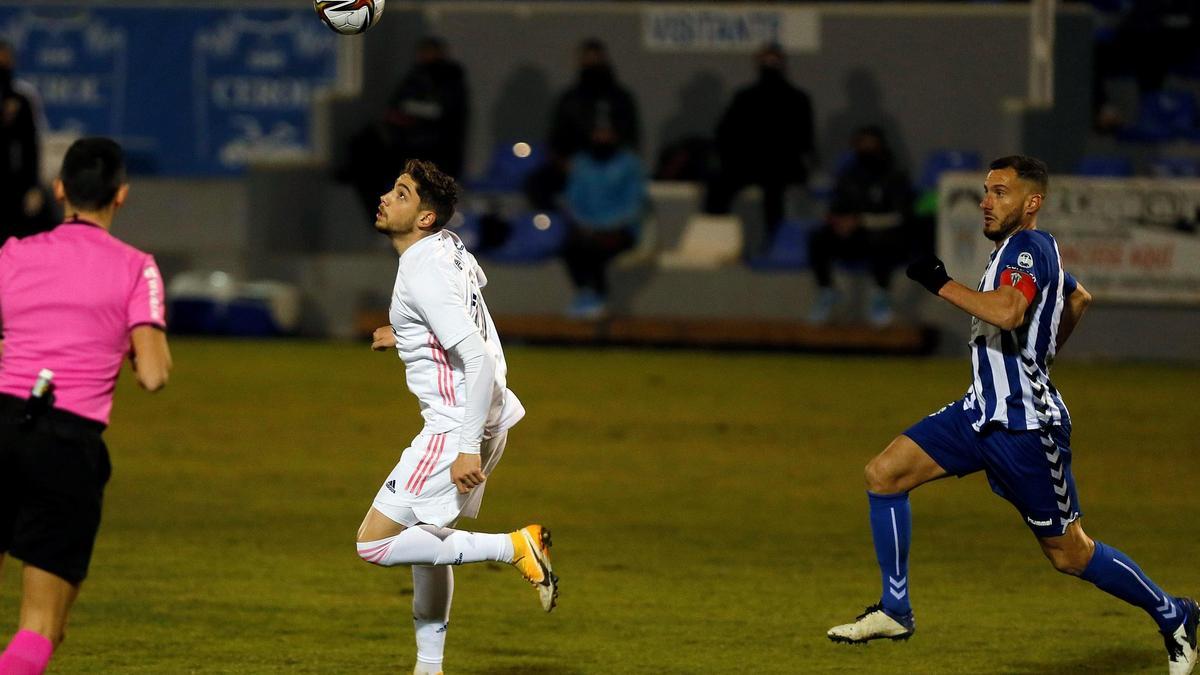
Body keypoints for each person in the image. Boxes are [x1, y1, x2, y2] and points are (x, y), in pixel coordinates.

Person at [826, 155, 1198, 675]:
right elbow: (1079, 299)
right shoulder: (1022, 251)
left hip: (1026, 431)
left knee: (1070, 555)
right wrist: (1039, 358)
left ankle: (1174, 614)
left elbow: (1008, 312)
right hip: (979, 413)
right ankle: (894, 610)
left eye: (999, 192)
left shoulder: (1027, 247)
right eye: (985, 191)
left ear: (1032, 203)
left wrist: (940, 283)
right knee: (884, 475)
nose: (985, 201)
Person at [358, 159, 559, 675]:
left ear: (424, 217)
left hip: (455, 426)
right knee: (427, 544)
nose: (386, 196)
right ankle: (429, 668)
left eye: (401, 194)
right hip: (486, 414)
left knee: (376, 543)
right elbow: (466, 302)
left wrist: (466, 445)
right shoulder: (449, 247)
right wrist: (405, 335)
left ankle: (515, 545)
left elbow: (477, 357)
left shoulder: (421, 270)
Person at [0, 137, 172, 675]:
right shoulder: (136, 267)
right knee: (41, 625)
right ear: (120, 195)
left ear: (59, 189)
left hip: (1, 423)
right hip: (66, 444)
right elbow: (153, 374)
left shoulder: (10, 254)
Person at [342, 37, 469, 221]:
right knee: (366, 152)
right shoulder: (416, 76)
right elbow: (396, 105)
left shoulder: (450, 78)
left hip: (437, 150)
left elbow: (443, 112)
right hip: (406, 146)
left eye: (430, 52)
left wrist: (410, 112)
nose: (425, 57)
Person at [703, 42, 814, 251]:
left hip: (783, 166)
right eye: (765, 60)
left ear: (783, 64)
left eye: (774, 60)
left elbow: (804, 141)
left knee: (774, 190)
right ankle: (716, 244)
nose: (770, 65)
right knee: (718, 186)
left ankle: (776, 245)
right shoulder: (744, 98)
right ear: (757, 63)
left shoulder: (798, 99)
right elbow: (725, 135)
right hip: (748, 165)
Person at [807, 126, 913, 327]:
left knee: (883, 240)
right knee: (818, 238)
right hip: (854, 238)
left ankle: (881, 296)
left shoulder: (894, 176)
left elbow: (901, 216)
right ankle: (826, 291)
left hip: (884, 238)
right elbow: (836, 208)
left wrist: (862, 221)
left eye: (869, 143)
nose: (865, 149)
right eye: (860, 144)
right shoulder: (849, 177)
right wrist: (838, 222)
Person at [524, 38, 640, 210]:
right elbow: (557, 138)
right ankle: (560, 226)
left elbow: (631, 137)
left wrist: (612, 147)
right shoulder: (570, 100)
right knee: (536, 183)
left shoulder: (620, 98)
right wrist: (564, 162)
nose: (592, 64)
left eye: (596, 59)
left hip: (612, 166)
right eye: (587, 59)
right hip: (576, 166)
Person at [560, 125, 647, 319]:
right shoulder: (582, 162)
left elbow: (634, 204)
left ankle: (599, 298)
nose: (602, 138)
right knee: (571, 247)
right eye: (597, 133)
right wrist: (585, 226)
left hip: (620, 230)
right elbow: (573, 200)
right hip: (588, 229)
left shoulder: (629, 164)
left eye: (606, 133)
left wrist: (608, 228)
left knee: (598, 249)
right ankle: (587, 295)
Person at [0, 40, 44, 243]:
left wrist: (34, 186)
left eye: (5, 58)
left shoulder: (23, 98)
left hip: (15, 186)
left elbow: (31, 145)